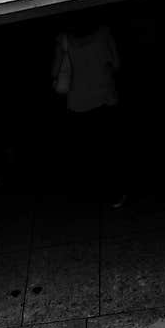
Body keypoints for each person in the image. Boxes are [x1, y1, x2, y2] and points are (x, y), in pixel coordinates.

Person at [51, 19, 126, 206]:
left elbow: (54, 72)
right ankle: (114, 194)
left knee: (87, 151)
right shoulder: (104, 33)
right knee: (108, 150)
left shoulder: (64, 40)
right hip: (105, 98)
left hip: (78, 103)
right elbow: (116, 64)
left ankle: (89, 194)